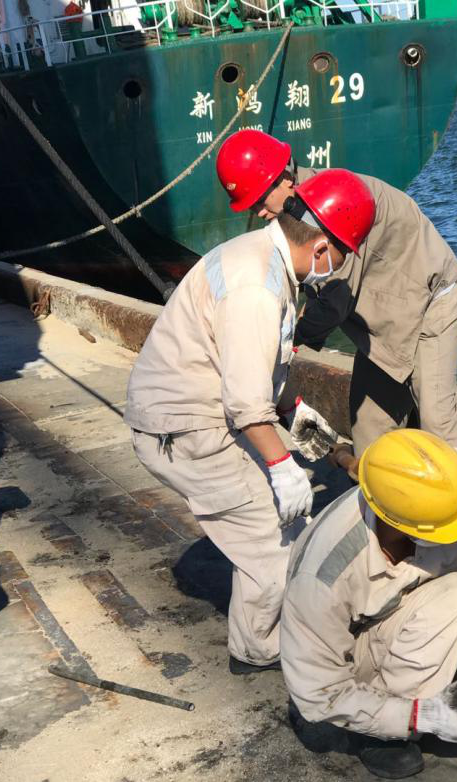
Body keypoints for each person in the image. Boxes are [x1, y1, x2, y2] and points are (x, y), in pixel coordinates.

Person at [124, 168, 375, 673]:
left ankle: (262, 633)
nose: (338, 269)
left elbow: (262, 377)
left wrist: (312, 429)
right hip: (183, 428)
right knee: (277, 538)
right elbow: (245, 403)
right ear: (320, 247)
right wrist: (283, 468)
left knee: (282, 521)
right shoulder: (258, 288)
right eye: (342, 255)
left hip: (193, 411)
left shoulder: (262, 255)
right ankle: (258, 651)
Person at [279, 429, 457, 778]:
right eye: (445, 525)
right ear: (396, 523)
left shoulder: (451, 480)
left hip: (417, 589)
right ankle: (385, 728)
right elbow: (318, 693)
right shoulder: (321, 577)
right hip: (362, 652)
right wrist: (420, 717)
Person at [217, 129, 457, 459]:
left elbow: (333, 302)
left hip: (431, 303)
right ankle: (381, 492)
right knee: (370, 426)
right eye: (250, 205)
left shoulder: (331, 203)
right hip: (384, 320)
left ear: (285, 179)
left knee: (438, 418)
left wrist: (287, 342)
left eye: (259, 201)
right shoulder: (295, 212)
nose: (259, 213)